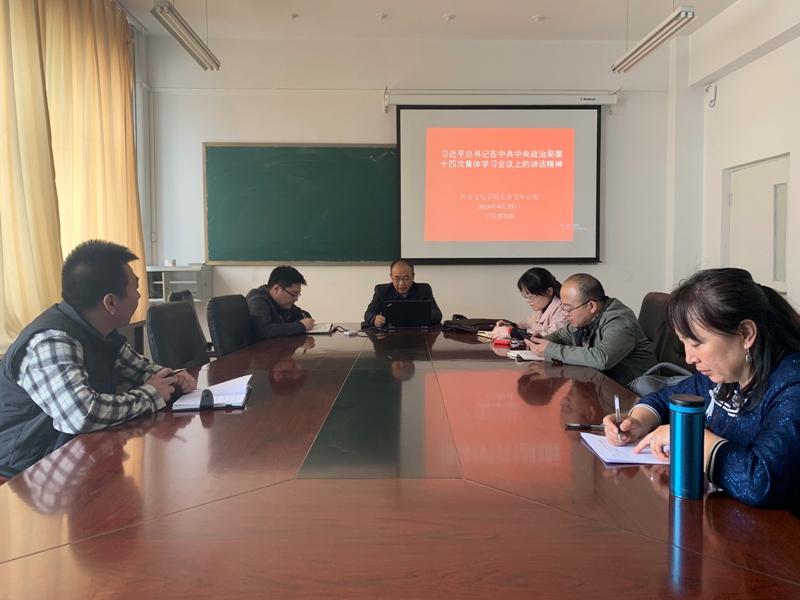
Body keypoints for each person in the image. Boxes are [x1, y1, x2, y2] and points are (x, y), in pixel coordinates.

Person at [603, 268, 800, 510]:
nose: (689, 358)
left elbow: (760, 482)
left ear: (746, 334)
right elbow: (666, 399)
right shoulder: (723, 375)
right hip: (722, 514)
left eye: (696, 343)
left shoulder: (792, 384)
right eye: (683, 343)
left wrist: (687, 437)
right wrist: (637, 422)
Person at [0, 240, 196, 478]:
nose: (139, 295)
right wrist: (152, 394)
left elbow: (142, 371)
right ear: (110, 302)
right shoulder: (52, 341)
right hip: (26, 473)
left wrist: (174, 379)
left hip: (75, 456)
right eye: (135, 288)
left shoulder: (97, 330)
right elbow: (82, 414)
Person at [525, 273, 656, 386]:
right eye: (563, 308)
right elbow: (561, 336)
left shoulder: (619, 321)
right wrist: (540, 342)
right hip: (602, 386)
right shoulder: (587, 318)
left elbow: (602, 358)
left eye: (568, 309)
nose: (565, 314)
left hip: (632, 395)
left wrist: (550, 349)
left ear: (591, 306)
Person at [489, 267, 568, 340]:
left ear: (549, 291)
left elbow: (552, 336)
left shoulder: (562, 309)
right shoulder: (541, 306)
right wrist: (511, 326)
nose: (527, 301)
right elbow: (528, 325)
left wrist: (512, 332)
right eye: (525, 296)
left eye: (532, 297)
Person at [363, 259, 442, 327]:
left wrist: (420, 319)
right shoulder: (382, 291)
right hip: (390, 336)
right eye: (397, 278)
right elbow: (369, 313)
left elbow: (437, 314)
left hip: (417, 334)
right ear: (391, 277)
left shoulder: (424, 290)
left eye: (406, 278)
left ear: (413, 276)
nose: (401, 283)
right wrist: (375, 319)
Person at [246, 265, 315, 340]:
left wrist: (301, 323)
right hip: (261, 347)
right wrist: (301, 326)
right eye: (293, 294)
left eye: (297, 295)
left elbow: (303, 315)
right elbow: (265, 330)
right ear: (276, 289)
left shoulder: (283, 303)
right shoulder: (257, 301)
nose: (296, 299)